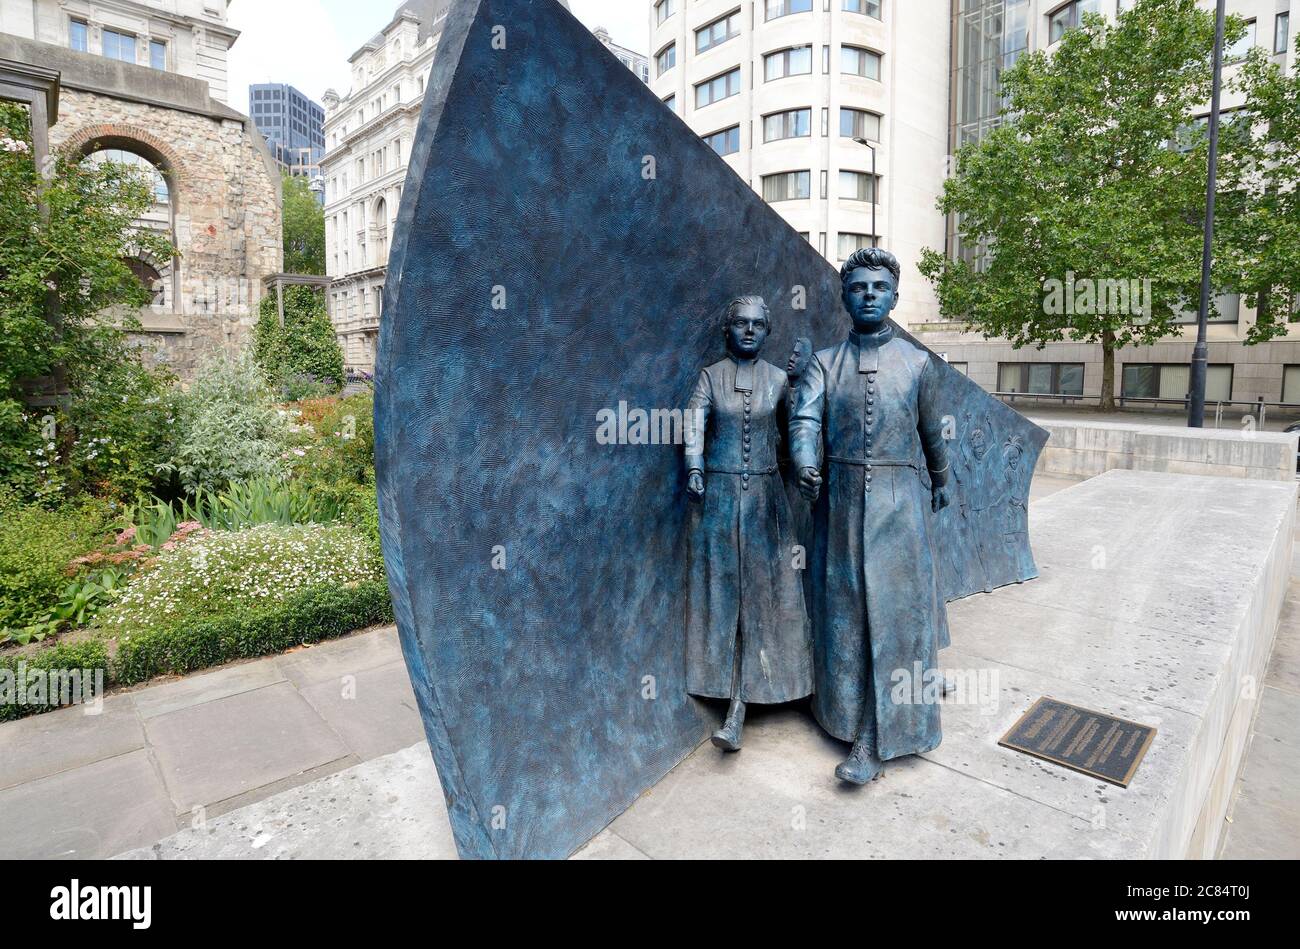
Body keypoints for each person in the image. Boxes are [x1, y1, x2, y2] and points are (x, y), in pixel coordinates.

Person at [790, 249, 952, 784]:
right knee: (847, 612)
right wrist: (807, 463)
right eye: (858, 287)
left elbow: (932, 430)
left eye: (878, 288)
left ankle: (880, 734)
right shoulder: (823, 363)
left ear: (894, 296)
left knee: (897, 614)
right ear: (844, 295)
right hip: (838, 503)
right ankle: (849, 713)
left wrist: (943, 478)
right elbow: (805, 420)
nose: (868, 296)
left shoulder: (917, 363)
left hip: (898, 502)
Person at [683, 296, 813, 751]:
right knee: (727, 597)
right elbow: (694, 423)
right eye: (741, 323)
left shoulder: (778, 380)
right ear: (728, 329)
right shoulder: (710, 377)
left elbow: (797, 430)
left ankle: (776, 688)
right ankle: (733, 703)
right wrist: (695, 466)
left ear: (767, 331)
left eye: (759, 324)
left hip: (766, 503)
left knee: (768, 597)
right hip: (718, 502)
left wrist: (803, 468)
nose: (750, 331)